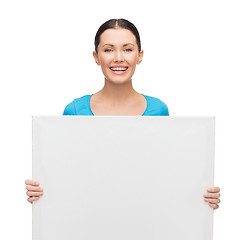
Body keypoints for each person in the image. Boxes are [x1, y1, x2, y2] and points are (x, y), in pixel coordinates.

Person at [25, 18, 221, 209]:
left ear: (140, 55)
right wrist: (41, 192)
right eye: (108, 50)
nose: (118, 57)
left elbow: (166, 174)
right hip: (89, 218)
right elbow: (64, 174)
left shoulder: (158, 110)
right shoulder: (75, 111)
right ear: (96, 57)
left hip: (143, 217)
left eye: (127, 49)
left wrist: (201, 195)